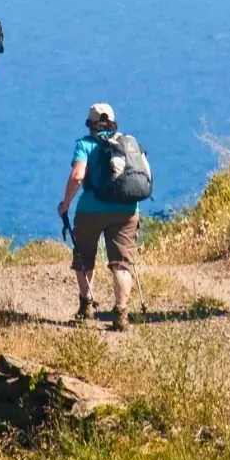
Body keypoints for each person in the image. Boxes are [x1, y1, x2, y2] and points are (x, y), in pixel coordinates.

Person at [57, 103, 143, 332]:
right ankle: (121, 313)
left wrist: (65, 204)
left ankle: (86, 306)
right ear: (113, 122)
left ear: (90, 124)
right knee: (122, 263)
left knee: (84, 256)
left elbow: (77, 176)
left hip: (91, 210)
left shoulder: (85, 145)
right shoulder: (127, 143)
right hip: (126, 210)